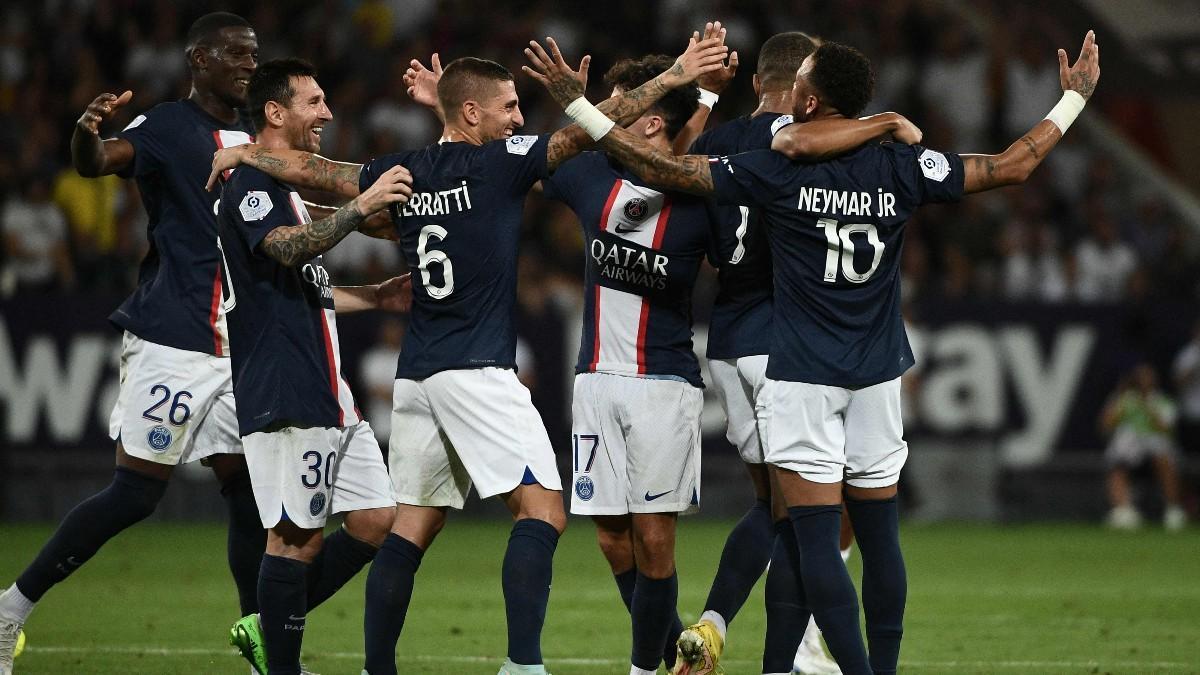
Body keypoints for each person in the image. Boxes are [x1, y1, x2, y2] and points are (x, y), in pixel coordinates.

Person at [529, 28, 1100, 675]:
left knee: (796, 521)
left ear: (793, 93)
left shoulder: (756, 157)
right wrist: (1072, 101)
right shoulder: (882, 161)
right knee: (845, 529)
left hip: (759, 349)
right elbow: (1013, 163)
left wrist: (597, 107)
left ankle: (750, 641)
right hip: (840, 356)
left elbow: (665, 168)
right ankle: (799, 659)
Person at [207, 33, 731, 675]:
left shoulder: (401, 171)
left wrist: (245, 154)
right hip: (476, 370)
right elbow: (599, 128)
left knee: (410, 526)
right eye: (509, 107)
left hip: (418, 375)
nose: (519, 118)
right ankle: (523, 665)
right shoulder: (503, 163)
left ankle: (379, 668)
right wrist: (678, 72)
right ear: (478, 115)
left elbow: (326, 176)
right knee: (543, 510)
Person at [0, 13, 266, 674]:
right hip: (176, 336)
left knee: (248, 489)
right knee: (135, 494)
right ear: (198, 58)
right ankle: (9, 610)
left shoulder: (260, 134)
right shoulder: (167, 126)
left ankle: (264, 645)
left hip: (239, 343)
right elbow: (101, 161)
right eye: (235, 52)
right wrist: (86, 133)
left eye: (255, 54)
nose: (248, 64)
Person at [669, 31, 920, 675]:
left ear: (757, 82)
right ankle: (789, 658)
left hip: (727, 339)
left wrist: (700, 97)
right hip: (793, 342)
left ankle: (721, 626)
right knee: (812, 520)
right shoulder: (821, 141)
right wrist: (883, 124)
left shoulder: (721, 141)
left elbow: (670, 172)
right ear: (808, 92)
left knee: (778, 511)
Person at [217, 57, 414, 675]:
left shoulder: (285, 191)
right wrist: (361, 209)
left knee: (376, 518)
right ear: (275, 112)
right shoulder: (251, 187)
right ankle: (282, 665)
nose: (327, 113)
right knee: (293, 537)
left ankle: (265, 627)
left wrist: (377, 296)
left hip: (329, 391)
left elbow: (309, 280)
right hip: (285, 384)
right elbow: (283, 250)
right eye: (314, 102)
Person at [1100, 363, 1186, 531]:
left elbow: (1165, 428)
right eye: (1140, 378)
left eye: (1147, 377)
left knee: (1164, 461)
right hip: (1130, 451)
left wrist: (1146, 405)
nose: (1143, 381)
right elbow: (1106, 425)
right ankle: (1124, 511)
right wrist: (1120, 398)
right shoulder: (1123, 399)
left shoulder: (1163, 401)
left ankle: (1173, 510)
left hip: (1156, 451)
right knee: (1117, 466)